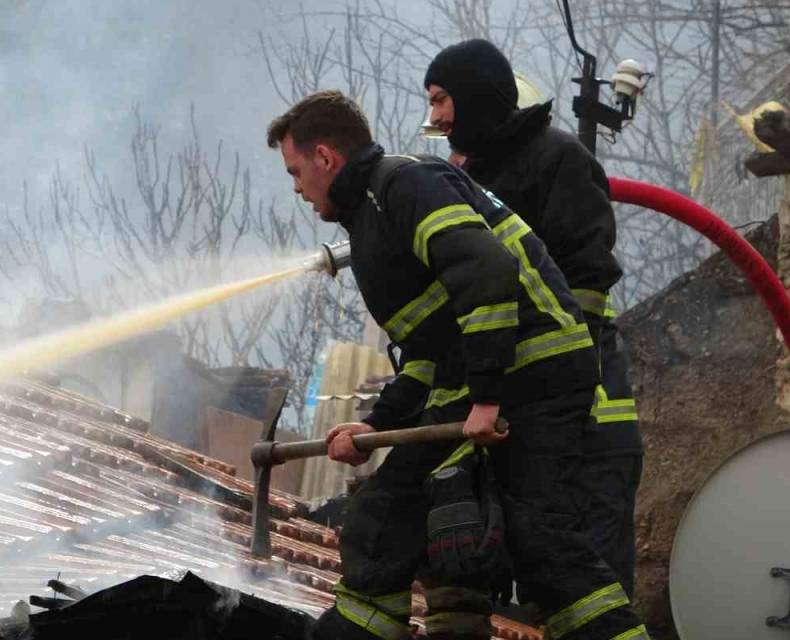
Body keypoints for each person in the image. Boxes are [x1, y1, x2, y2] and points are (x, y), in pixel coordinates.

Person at [267, 89, 647, 640]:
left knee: (538, 540)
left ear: (326, 157)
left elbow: (488, 272)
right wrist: (376, 425)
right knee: (382, 520)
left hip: (535, 374)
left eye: (296, 170)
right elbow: (430, 353)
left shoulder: (406, 184)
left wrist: (489, 397)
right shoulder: (372, 216)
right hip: (477, 383)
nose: (297, 188)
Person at [423, 39, 643, 597]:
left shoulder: (559, 159)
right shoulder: (468, 178)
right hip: (519, 416)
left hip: (589, 423)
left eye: (443, 99)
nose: (436, 117)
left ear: (475, 95)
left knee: (587, 586)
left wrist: (562, 389)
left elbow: (587, 286)